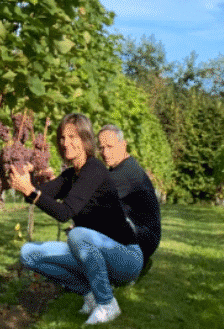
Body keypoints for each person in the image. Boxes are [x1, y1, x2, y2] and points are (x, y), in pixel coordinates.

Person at [9, 113, 142, 325]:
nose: (65, 142)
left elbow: (64, 213)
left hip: (125, 257)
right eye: (62, 137)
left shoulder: (94, 169)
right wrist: (29, 179)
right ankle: (89, 294)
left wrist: (31, 191)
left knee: (77, 235)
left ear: (85, 139)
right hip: (92, 254)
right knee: (28, 254)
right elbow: (37, 194)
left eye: (73, 137)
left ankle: (107, 304)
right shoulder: (71, 175)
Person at [97, 125, 162, 272]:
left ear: (123, 145)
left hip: (143, 237)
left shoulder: (127, 172)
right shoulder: (120, 168)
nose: (105, 153)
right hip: (144, 236)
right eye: (101, 148)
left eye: (110, 147)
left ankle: (134, 265)